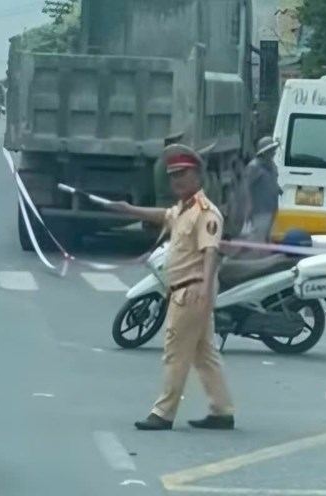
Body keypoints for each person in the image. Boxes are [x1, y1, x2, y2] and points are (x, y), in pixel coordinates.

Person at [107, 144, 236, 431]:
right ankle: (222, 409)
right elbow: (163, 215)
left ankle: (163, 413)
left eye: (183, 174)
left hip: (191, 291)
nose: (177, 180)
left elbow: (211, 252)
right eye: (173, 175)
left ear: (198, 176)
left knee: (175, 353)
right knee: (204, 354)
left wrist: (204, 287)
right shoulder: (184, 209)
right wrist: (128, 210)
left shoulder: (206, 213)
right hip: (185, 290)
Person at [230, 136, 282, 243]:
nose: (273, 153)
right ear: (264, 153)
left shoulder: (272, 166)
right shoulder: (254, 167)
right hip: (259, 209)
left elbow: (273, 181)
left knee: (267, 234)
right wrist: (247, 205)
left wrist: (277, 189)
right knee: (258, 234)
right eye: (270, 151)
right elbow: (245, 186)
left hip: (271, 207)